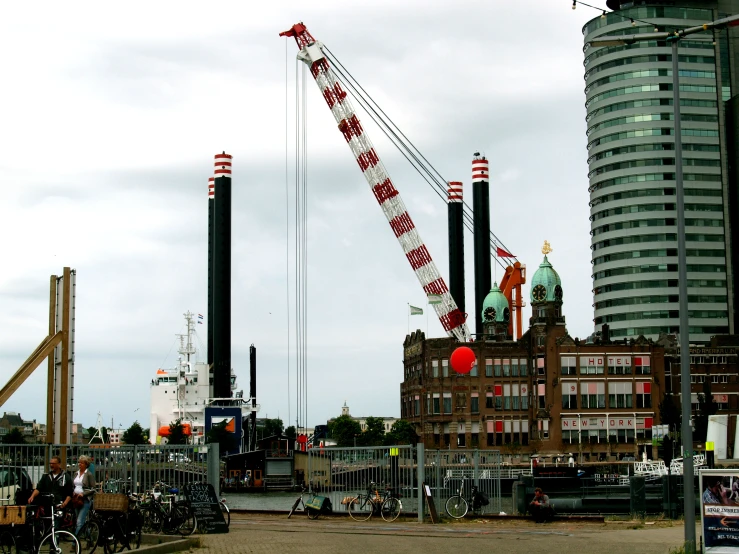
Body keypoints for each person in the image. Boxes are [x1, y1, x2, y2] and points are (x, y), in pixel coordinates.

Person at [72, 455, 96, 535]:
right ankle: (89, 538)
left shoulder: (89, 474)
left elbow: (93, 488)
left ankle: (75, 543)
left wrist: (83, 493)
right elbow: (74, 485)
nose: (79, 464)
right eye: (79, 462)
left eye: (82, 463)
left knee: (79, 521)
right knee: (80, 521)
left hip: (85, 500)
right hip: (76, 499)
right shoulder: (76, 473)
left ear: (86, 464)